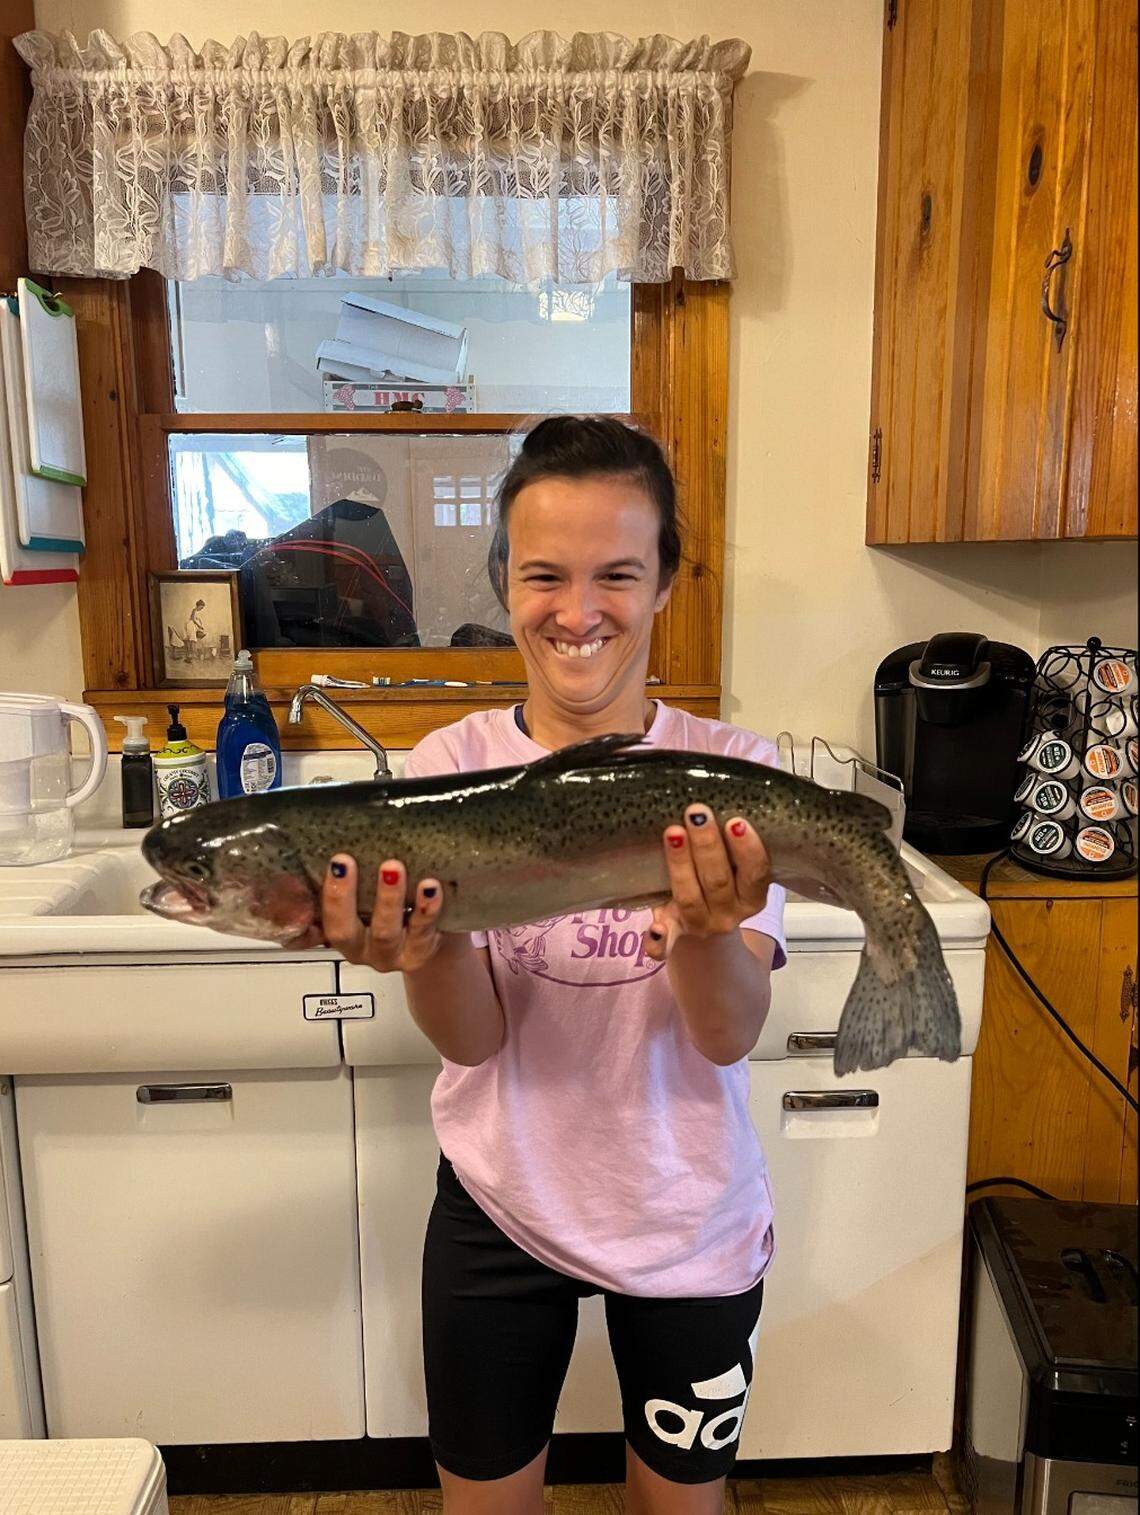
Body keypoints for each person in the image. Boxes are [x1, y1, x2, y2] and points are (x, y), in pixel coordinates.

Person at [296, 417, 785, 1515]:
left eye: (617, 573)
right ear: (503, 583)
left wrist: (702, 928)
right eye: (544, 576)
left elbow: (727, 1035)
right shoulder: (445, 771)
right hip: (499, 1202)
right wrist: (425, 945)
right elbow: (474, 1040)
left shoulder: (736, 775)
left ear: (666, 581)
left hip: (686, 1210)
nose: (578, 612)